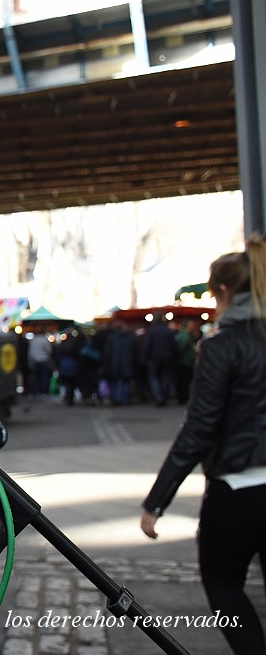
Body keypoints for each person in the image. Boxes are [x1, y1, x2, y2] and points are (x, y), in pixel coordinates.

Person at [140, 234, 266, 654]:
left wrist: (156, 501)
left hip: (237, 492)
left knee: (223, 583)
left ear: (223, 291)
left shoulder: (220, 346)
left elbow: (199, 429)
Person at [144, 310, 177, 406]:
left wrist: (146, 356)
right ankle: (163, 396)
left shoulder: (151, 331)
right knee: (165, 377)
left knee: (154, 378)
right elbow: (173, 345)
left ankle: (158, 397)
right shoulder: (167, 330)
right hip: (167, 357)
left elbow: (147, 345)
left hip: (154, 358)